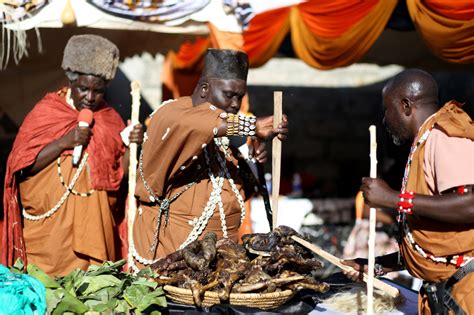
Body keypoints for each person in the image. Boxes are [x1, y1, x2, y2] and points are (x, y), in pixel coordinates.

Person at [130, 49, 288, 270]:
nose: (235, 104)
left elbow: (242, 189)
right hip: (170, 252)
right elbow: (197, 125)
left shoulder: (225, 131)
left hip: (222, 258)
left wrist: (252, 158)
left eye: (240, 97)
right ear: (204, 89)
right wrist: (252, 126)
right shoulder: (172, 114)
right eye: (229, 95)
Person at [1, 34, 144, 276]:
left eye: (97, 91)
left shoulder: (110, 120)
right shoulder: (46, 113)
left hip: (95, 235)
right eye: (83, 89)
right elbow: (21, 167)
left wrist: (131, 145)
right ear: (70, 82)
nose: (89, 98)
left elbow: (118, 178)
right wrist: (62, 143)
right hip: (49, 240)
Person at [343, 69, 474, 314]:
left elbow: (470, 205)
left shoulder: (444, 135)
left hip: (465, 295)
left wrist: (393, 199)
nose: (385, 119)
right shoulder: (426, 140)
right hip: (443, 295)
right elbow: (436, 240)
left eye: (387, 109)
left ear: (405, 106)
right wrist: (377, 266)